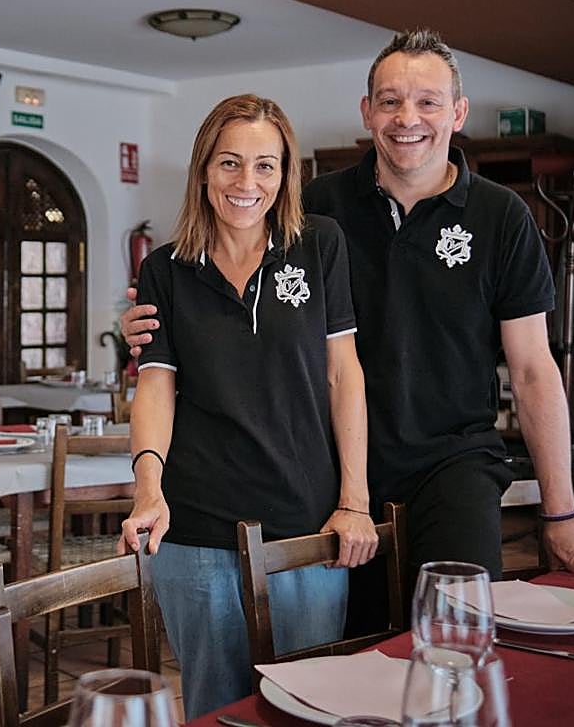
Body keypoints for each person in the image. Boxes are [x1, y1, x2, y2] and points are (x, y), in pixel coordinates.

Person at [122, 30, 574, 592]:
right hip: (333, 469)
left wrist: (560, 512)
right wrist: (154, 325)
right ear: (367, 112)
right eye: (390, 101)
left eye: (427, 102)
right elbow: (229, 296)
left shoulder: (502, 217)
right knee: (351, 662)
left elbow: (534, 368)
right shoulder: (317, 208)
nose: (406, 118)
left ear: (458, 112)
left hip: (452, 461)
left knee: (460, 628)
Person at [116, 94, 378, 719]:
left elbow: (344, 374)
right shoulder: (166, 271)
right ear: (203, 169)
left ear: (286, 175)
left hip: (305, 523)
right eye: (230, 163)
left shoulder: (321, 246)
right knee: (218, 710)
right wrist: (148, 490)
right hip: (196, 529)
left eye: (266, 165)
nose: (247, 182)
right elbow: (155, 388)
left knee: (310, 708)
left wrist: (355, 501)